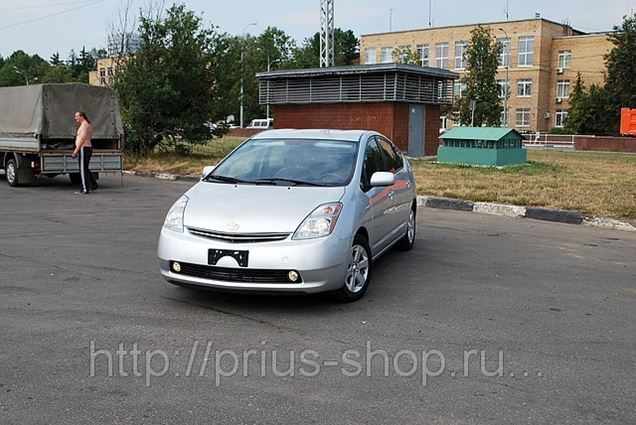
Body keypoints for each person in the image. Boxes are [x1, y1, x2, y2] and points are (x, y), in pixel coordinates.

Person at [71, 111, 97, 194]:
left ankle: (85, 189)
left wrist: (76, 150)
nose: (75, 118)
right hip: (85, 148)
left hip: (84, 148)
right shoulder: (85, 125)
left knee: (82, 169)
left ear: (81, 116)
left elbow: (82, 139)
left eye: (76, 116)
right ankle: (93, 184)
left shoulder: (85, 125)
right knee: (85, 168)